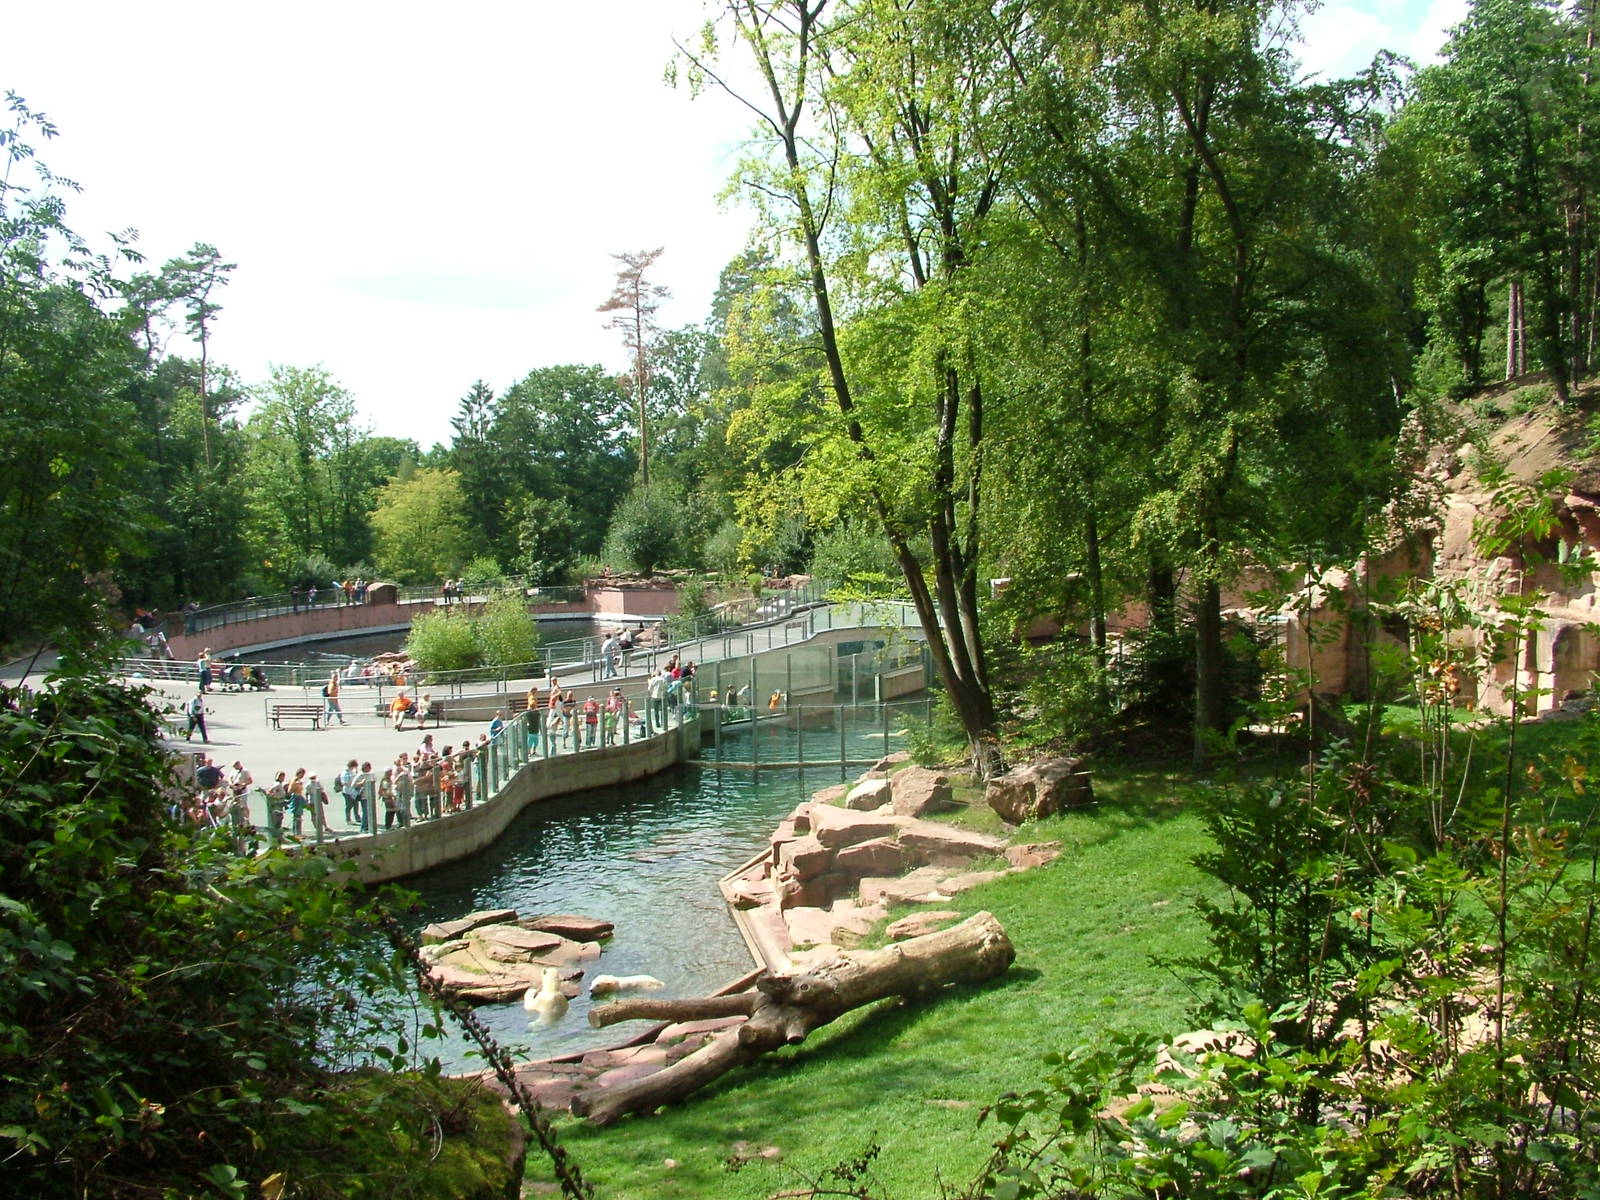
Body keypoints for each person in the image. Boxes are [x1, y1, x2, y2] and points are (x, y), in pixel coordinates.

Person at [304, 772, 328, 838]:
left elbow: (307, 794)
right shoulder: (318, 783)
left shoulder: (307, 785)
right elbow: (322, 791)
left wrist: (306, 802)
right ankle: (325, 826)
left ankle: (317, 827)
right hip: (318, 801)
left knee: (314, 815)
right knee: (321, 815)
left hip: (311, 801)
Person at [338, 759, 361, 826]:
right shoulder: (345, 772)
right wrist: (354, 783)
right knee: (349, 805)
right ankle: (348, 819)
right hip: (347, 791)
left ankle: (357, 817)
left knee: (356, 804)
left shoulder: (350, 771)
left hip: (353, 791)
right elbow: (344, 782)